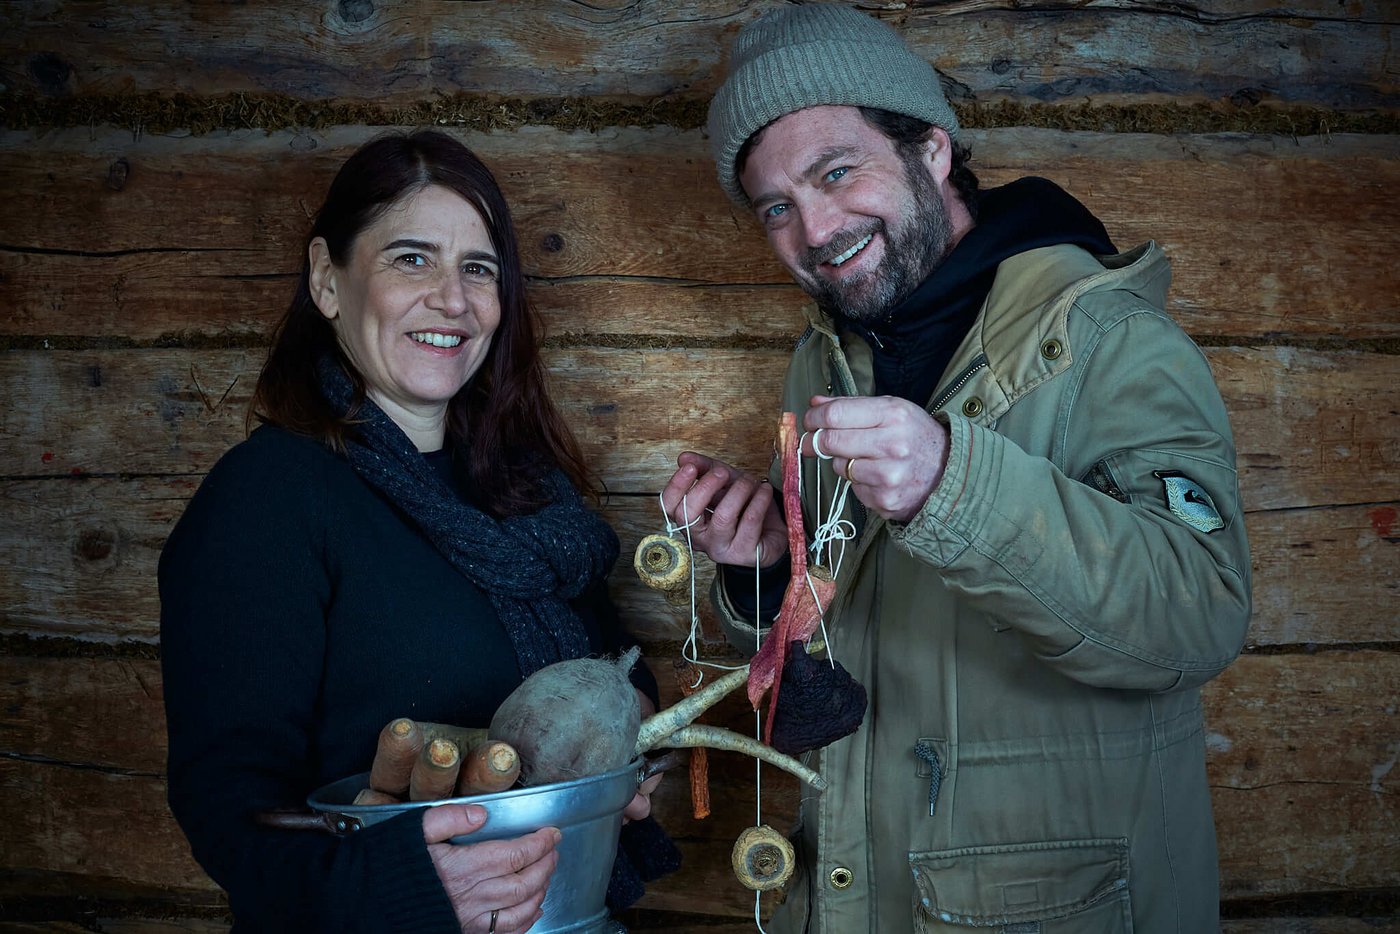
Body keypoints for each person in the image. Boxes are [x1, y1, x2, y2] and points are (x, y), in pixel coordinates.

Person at [661, 6, 1252, 932]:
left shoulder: (1108, 335)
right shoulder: (824, 359)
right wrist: (767, 568)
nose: (814, 229)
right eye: (776, 206)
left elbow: (1200, 613)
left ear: (931, 149)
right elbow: (860, 633)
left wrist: (953, 486)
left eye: (836, 172)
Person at [159, 130, 670, 934]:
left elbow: (612, 667)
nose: (452, 299)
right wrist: (403, 894)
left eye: (479, 269)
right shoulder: (267, 499)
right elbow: (225, 807)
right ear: (327, 280)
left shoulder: (531, 496)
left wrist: (620, 756)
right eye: (411, 259)